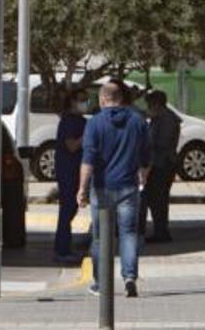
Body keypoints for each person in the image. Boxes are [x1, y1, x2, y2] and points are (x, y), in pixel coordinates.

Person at [78, 81, 151, 298]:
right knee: (128, 233)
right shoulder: (138, 121)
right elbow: (147, 155)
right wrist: (143, 174)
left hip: (101, 188)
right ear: (122, 98)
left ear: (103, 99)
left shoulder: (94, 124)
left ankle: (101, 284)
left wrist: (81, 188)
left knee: (100, 237)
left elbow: (88, 159)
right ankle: (129, 278)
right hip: (129, 187)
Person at [53, 89, 88, 264]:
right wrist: (86, 136)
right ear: (72, 102)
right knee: (67, 209)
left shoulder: (81, 121)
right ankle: (62, 248)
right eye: (81, 100)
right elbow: (72, 146)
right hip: (67, 171)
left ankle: (64, 246)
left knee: (72, 208)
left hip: (77, 170)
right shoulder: (68, 121)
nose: (85, 103)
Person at [140, 90, 180, 243]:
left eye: (150, 105)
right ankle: (160, 230)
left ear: (157, 105)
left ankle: (162, 232)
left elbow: (161, 143)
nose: (148, 108)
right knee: (155, 200)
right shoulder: (159, 118)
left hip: (162, 165)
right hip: (158, 164)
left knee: (159, 200)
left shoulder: (167, 120)